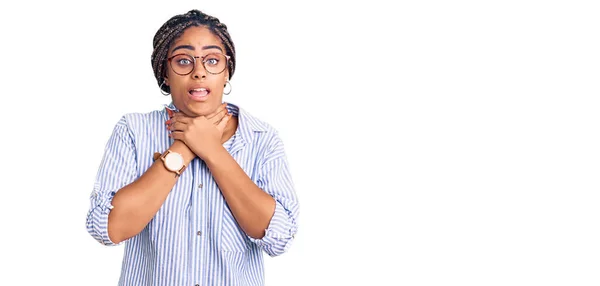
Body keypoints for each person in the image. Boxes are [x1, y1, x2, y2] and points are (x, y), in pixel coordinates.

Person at [86, 9, 299, 285]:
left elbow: (280, 238)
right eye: (184, 61)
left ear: (227, 71)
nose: (199, 72)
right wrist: (183, 149)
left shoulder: (262, 138)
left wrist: (212, 150)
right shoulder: (133, 132)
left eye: (212, 60)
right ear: (165, 72)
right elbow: (107, 228)